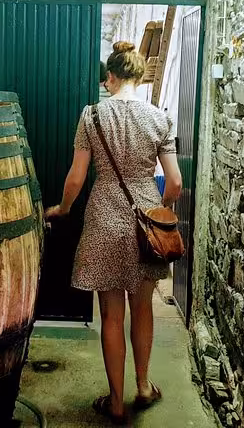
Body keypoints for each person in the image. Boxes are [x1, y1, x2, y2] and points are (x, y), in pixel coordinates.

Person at [45, 41, 183, 424]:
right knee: (143, 307)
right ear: (137, 77)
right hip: (146, 219)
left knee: (110, 315)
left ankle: (115, 403)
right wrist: (161, 213)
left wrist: (63, 209)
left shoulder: (92, 117)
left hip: (104, 214)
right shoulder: (159, 119)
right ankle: (142, 386)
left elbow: (76, 178)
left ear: (111, 78)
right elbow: (174, 181)